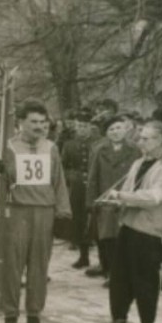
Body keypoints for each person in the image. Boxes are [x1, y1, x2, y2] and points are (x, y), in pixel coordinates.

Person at [0, 99, 72, 323]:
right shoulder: (9, 147)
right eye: (33, 122)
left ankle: (34, 317)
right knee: (12, 265)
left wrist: (63, 210)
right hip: (17, 211)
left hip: (43, 211)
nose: (38, 126)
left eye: (42, 122)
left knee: (39, 266)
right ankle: (11, 317)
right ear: (21, 123)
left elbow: (59, 180)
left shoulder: (51, 147)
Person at [100, 121, 162, 323]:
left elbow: (154, 197)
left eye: (146, 138)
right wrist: (115, 202)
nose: (140, 142)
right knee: (120, 276)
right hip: (128, 226)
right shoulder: (138, 162)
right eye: (140, 137)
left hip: (149, 232)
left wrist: (122, 198)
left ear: (161, 140)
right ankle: (118, 321)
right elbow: (127, 190)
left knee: (145, 280)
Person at [85, 116, 140, 285]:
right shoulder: (100, 150)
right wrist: (91, 201)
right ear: (106, 134)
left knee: (125, 237)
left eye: (118, 128)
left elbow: (140, 176)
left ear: (126, 129)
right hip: (106, 200)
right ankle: (111, 272)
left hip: (126, 199)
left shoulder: (135, 150)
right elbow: (93, 177)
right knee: (107, 238)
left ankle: (125, 273)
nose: (116, 132)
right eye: (111, 130)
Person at [62, 108, 98, 269]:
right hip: (77, 187)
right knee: (79, 219)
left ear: (91, 127)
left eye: (85, 126)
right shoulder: (69, 145)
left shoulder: (98, 143)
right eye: (79, 126)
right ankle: (83, 257)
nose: (82, 129)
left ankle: (104, 261)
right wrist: (72, 176)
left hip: (95, 184)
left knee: (96, 220)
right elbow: (64, 167)